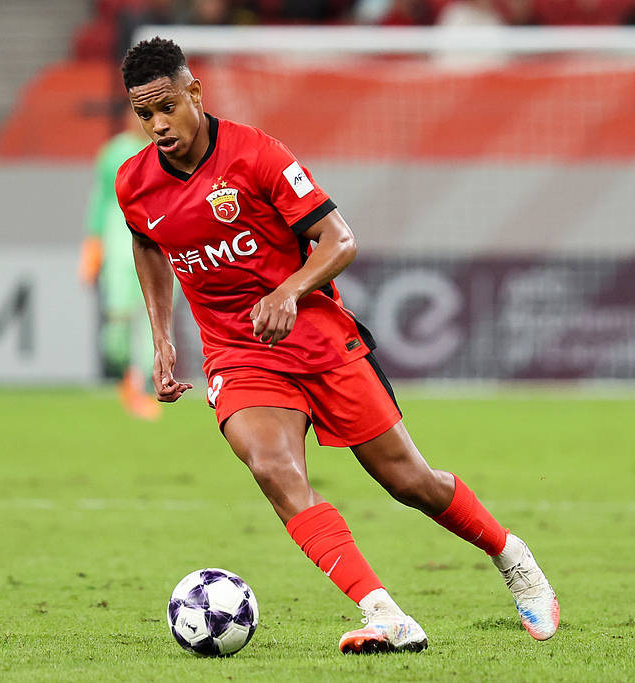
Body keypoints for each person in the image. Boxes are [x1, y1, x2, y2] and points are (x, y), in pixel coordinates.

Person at [115, 37, 559, 654]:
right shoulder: (134, 182)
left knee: (409, 481)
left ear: (195, 92)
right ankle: (386, 615)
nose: (158, 125)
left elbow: (340, 240)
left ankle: (513, 558)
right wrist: (162, 336)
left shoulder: (258, 154)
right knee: (273, 468)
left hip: (318, 339)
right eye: (145, 114)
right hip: (239, 352)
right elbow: (147, 242)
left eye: (167, 107)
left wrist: (288, 291)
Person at [80, 105, 159, 421]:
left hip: (158, 247)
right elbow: (100, 200)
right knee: (118, 321)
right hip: (119, 245)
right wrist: (92, 246)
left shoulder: (165, 151)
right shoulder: (114, 153)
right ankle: (126, 375)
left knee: (154, 320)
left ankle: (140, 386)